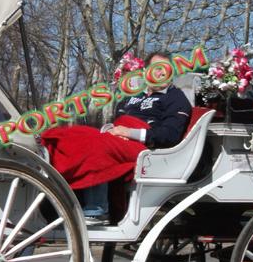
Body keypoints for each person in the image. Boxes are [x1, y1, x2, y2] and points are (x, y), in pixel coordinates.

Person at [41, 51, 192, 225]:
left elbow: (169, 136)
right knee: (71, 134)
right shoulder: (134, 96)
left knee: (97, 145)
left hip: (147, 149)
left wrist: (129, 133)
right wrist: (112, 130)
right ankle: (56, 193)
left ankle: (97, 209)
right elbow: (117, 122)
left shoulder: (176, 98)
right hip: (119, 139)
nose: (161, 72)